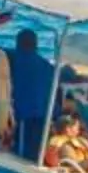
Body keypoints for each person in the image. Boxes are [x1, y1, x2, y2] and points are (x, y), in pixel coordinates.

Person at [7, 25, 56, 163]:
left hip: (25, 115)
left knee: (24, 152)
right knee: (38, 148)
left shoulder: (13, 58)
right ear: (36, 45)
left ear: (18, 44)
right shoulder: (46, 65)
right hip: (45, 115)